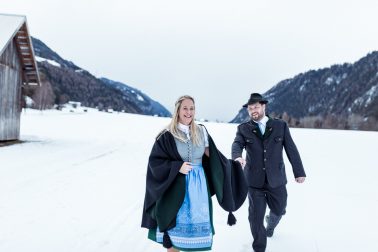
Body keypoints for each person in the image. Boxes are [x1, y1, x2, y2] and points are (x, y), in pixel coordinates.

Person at [142, 95, 248, 251]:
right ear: (178, 110)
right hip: (175, 187)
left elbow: (214, 158)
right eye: (185, 108)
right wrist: (177, 167)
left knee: (196, 237)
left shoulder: (201, 131)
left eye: (192, 108)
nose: (189, 112)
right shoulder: (167, 135)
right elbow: (155, 163)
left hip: (198, 188)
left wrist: (234, 165)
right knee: (173, 237)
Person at [231, 93, 306, 252]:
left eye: (256, 107)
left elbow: (291, 149)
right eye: (250, 108)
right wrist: (237, 157)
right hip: (253, 180)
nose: (253, 111)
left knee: (279, 209)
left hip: (276, 179)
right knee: (255, 218)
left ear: (264, 106)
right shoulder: (243, 128)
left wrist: (299, 172)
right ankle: (259, 248)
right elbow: (237, 144)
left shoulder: (280, 126)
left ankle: (271, 224)